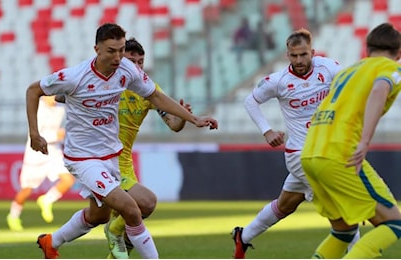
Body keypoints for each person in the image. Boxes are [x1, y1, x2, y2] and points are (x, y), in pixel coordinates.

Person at [27, 23, 218, 259]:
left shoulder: (128, 71)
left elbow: (156, 96)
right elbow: (34, 90)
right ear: (96, 49)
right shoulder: (74, 76)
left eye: (120, 50)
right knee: (132, 209)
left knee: (99, 216)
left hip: (112, 156)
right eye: (111, 51)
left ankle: (51, 242)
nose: (118, 57)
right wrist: (35, 134)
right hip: (83, 158)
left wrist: (193, 118)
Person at [231, 28, 359, 258]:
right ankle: (358, 254)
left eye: (303, 55)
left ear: (312, 52)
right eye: (293, 56)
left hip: (326, 150)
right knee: (342, 210)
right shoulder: (278, 81)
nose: (298, 60)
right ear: (287, 55)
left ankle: (243, 236)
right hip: (301, 155)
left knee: (286, 205)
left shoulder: (329, 68)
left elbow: (350, 85)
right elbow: (251, 101)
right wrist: (267, 131)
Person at [301, 22, 401, 258]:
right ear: (399, 53)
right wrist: (365, 141)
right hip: (340, 154)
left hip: (311, 154)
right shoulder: (389, 68)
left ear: (366, 50)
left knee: (344, 230)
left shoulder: (348, 71)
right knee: (394, 224)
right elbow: (379, 90)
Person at [102, 38, 191, 259]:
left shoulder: (148, 90)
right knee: (143, 205)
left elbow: (173, 124)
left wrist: (183, 117)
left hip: (125, 164)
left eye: (141, 62)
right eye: (133, 61)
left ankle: (110, 237)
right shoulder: (107, 82)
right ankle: (108, 230)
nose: (138, 67)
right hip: (104, 160)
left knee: (130, 225)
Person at [6, 95, 75, 231]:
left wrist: (63, 135)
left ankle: (46, 200)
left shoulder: (60, 109)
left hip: (53, 151)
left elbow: (63, 130)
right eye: (51, 94)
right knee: (27, 189)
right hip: (36, 154)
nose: (54, 97)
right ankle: (13, 215)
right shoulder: (38, 109)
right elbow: (36, 134)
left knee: (68, 180)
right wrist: (57, 135)